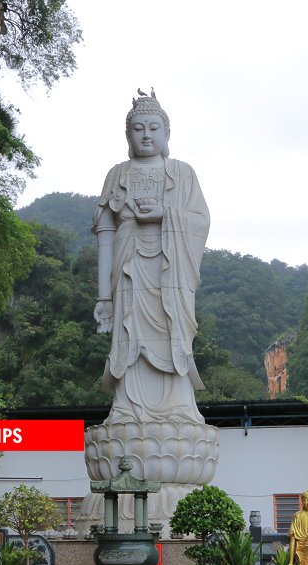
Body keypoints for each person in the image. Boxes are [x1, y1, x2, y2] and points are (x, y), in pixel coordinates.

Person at [92, 90, 210, 426]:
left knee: (173, 329)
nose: (146, 134)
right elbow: (105, 234)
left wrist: (164, 214)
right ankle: (126, 410)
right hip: (127, 270)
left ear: (167, 134)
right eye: (139, 128)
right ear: (128, 135)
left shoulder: (182, 173)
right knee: (129, 335)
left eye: (154, 127)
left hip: (170, 270)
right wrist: (104, 297)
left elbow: (200, 220)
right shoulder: (117, 174)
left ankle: (180, 409)